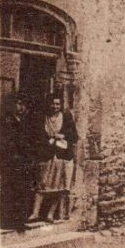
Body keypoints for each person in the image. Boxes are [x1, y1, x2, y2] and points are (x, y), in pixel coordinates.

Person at [29, 94, 79, 224]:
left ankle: (50, 214)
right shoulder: (43, 118)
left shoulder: (66, 118)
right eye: (53, 104)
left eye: (57, 104)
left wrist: (62, 136)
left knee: (60, 186)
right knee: (42, 184)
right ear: (49, 104)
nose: (55, 106)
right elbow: (37, 136)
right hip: (47, 155)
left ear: (60, 105)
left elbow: (74, 136)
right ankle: (35, 213)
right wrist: (50, 140)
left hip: (62, 156)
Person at [0, 95, 33, 229]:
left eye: (23, 104)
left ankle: (19, 221)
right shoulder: (6, 121)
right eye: (18, 104)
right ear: (12, 105)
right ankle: (7, 221)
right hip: (10, 162)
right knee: (9, 190)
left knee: (22, 190)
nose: (21, 107)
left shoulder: (24, 121)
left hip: (22, 162)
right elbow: (6, 142)